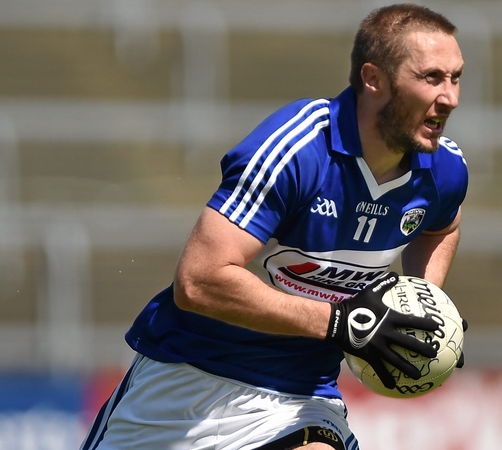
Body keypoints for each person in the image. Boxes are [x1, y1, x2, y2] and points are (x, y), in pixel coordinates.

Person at [81, 3, 468, 450]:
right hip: (185, 384)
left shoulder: (445, 170)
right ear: (374, 79)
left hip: (301, 395)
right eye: (432, 78)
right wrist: (342, 322)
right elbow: (199, 281)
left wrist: (424, 304)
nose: (451, 98)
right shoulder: (298, 149)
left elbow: (441, 227)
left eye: (455, 78)